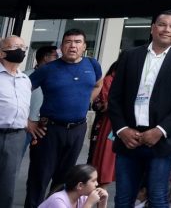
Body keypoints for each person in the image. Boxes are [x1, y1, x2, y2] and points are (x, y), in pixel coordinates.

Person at [107, 11, 171, 208]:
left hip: (162, 141)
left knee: (157, 198)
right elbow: (114, 98)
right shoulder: (130, 56)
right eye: (162, 24)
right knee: (123, 199)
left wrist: (159, 131)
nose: (167, 30)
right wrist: (122, 130)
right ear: (152, 28)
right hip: (128, 139)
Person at [26, 29, 103, 208]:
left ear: (84, 46)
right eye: (68, 42)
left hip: (77, 129)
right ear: (62, 46)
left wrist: (86, 101)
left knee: (65, 180)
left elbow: (98, 84)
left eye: (77, 42)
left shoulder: (92, 65)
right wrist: (28, 121)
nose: (73, 45)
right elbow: (21, 91)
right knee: (39, 178)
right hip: (49, 130)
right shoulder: (48, 69)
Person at [0, 35, 31, 208]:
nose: (20, 51)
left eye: (23, 47)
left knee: (7, 185)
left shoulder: (25, 79)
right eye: (15, 47)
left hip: (16, 137)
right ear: (2, 53)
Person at [86, 61, 117, 185]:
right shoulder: (109, 80)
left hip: (114, 126)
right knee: (98, 159)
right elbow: (102, 105)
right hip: (105, 125)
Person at [25, 46, 58, 155]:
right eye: (56, 56)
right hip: (25, 127)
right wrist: (27, 121)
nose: (59, 59)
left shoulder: (57, 77)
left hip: (46, 128)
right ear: (46, 58)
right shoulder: (25, 76)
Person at [37, 164, 108, 208]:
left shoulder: (82, 197)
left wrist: (102, 202)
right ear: (80, 185)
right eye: (93, 181)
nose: (97, 184)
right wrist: (88, 204)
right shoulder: (58, 201)